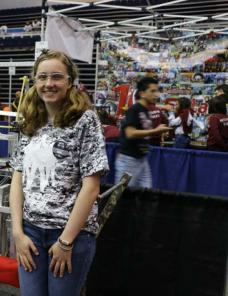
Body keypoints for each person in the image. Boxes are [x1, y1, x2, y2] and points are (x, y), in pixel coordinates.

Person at [9, 50, 109, 296]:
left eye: (56, 77)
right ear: (34, 81)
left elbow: (91, 187)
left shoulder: (85, 120)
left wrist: (66, 242)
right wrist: (17, 233)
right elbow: (17, 177)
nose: (48, 84)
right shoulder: (30, 120)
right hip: (30, 233)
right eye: (42, 77)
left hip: (69, 236)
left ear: (69, 82)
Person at [114, 77, 172, 188]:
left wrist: (158, 132)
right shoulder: (134, 109)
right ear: (142, 93)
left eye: (157, 91)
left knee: (146, 195)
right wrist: (155, 131)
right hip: (128, 160)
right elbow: (130, 133)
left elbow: (144, 132)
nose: (156, 94)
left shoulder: (146, 110)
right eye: (153, 91)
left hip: (141, 159)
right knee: (122, 198)